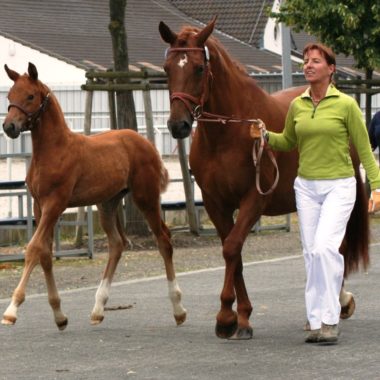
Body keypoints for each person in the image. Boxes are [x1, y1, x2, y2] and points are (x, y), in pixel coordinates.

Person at [250, 42, 380, 344]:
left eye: (316, 61)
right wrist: (267, 137)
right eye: (306, 60)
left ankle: (330, 319)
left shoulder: (345, 105)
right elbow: (288, 141)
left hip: (340, 185)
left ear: (330, 69)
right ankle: (315, 318)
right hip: (306, 187)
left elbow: (364, 150)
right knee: (311, 254)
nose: (308, 65)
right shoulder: (299, 105)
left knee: (324, 248)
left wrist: (376, 186)